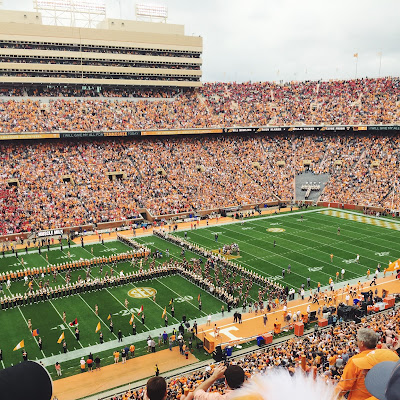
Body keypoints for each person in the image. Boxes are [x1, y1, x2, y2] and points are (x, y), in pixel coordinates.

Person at [337, 328, 383, 400]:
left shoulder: (355, 360)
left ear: (362, 343)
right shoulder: (383, 355)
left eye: (357, 340)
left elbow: (343, 386)